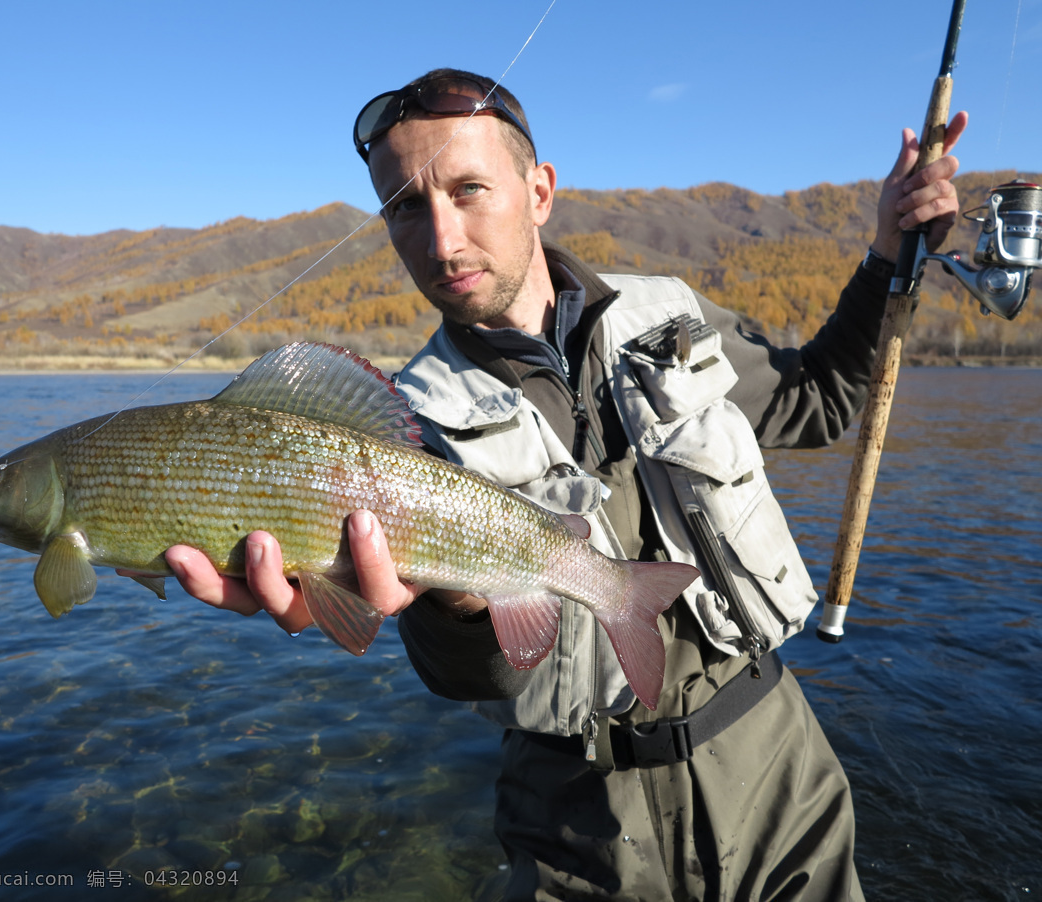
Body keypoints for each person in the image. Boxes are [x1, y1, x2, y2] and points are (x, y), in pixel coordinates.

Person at [155, 70, 966, 900]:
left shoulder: (672, 317)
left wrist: (886, 259)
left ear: (539, 191)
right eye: (404, 206)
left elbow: (818, 400)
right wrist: (456, 602)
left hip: (778, 772)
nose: (441, 240)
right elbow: (469, 674)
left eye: (469, 190)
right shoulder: (398, 429)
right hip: (577, 826)